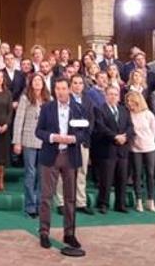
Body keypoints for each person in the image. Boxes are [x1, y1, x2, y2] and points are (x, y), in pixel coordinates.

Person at [35, 77, 88, 254]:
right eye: (57, 88)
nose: (61, 91)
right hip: (51, 156)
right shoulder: (47, 108)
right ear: (54, 90)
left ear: (69, 89)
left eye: (64, 88)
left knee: (70, 198)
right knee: (46, 196)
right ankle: (44, 232)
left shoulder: (79, 109)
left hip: (70, 156)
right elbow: (39, 131)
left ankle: (69, 233)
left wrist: (74, 139)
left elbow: (85, 132)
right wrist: (53, 137)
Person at [56, 74, 95, 215]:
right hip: (68, 141)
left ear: (83, 86)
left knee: (82, 172)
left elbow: (91, 121)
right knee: (64, 173)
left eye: (80, 83)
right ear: (70, 85)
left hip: (83, 142)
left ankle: (81, 202)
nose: (78, 85)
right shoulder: (64, 100)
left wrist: (82, 136)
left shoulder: (88, 100)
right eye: (75, 83)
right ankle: (61, 202)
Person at [92, 85, 132, 214]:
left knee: (122, 178)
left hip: (123, 149)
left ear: (119, 96)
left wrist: (125, 137)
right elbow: (100, 127)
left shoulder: (124, 109)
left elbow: (130, 126)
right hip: (107, 149)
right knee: (106, 179)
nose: (113, 96)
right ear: (105, 96)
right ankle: (103, 203)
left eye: (115, 94)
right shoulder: (99, 109)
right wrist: (115, 136)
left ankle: (120, 204)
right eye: (110, 94)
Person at [14, 74, 48, 218]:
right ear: (31, 83)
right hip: (28, 140)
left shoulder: (48, 99)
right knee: (30, 173)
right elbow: (18, 120)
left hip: (44, 142)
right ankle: (30, 206)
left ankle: (41, 206)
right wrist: (17, 141)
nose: (38, 83)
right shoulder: (25, 98)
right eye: (35, 80)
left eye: (40, 80)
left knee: (42, 175)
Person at [127, 90, 155, 212]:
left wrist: (148, 140)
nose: (129, 103)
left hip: (149, 147)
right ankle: (138, 200)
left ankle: (151, 201)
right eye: (128, 101)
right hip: (135, 148)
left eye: (131, 101)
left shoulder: (148, 114)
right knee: (137, 174)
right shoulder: (128, 114)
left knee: (150, 174)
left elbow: (153, 130)